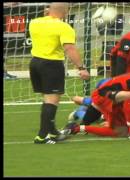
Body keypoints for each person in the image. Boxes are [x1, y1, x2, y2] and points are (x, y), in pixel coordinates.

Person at [29, 3, 90, 144]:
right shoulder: (64, 27)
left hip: (35, 63)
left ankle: (53, 132)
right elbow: (69, 49)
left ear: (48, 10)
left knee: (47, 99)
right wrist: (81, 68)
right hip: (51, 65)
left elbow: (46, 20)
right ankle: (42, 136)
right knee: (52, 100)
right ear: (66, 11)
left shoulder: (34, 22)